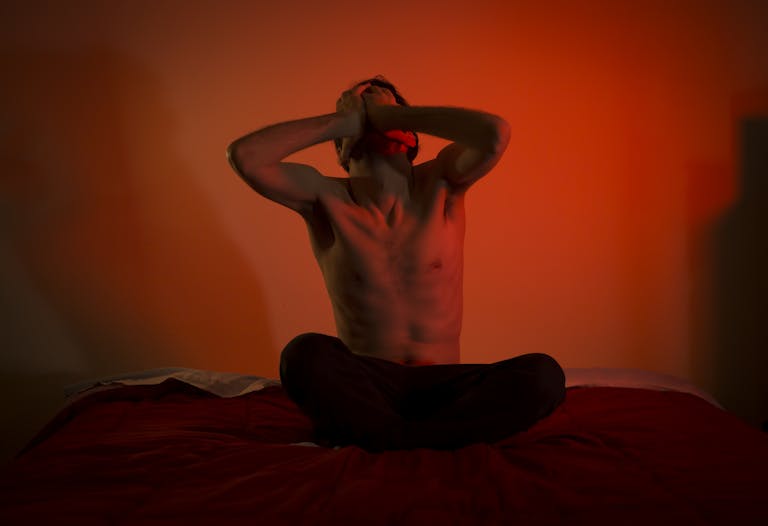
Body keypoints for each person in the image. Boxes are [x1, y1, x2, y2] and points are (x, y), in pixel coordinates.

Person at [226, 76, 565, 452]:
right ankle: (426, 440)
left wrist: (388, 116)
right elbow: (246, 157)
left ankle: (391, 439)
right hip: (369, 385)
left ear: (411, 135)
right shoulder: (324, 197)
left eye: (384, 113)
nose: (373, 119)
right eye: (363, 113)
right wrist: (345, 121)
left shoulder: (442, 181)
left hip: (446, 385)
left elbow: (495, 133)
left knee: (543, 373)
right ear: (340, 148)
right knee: (302, 354)